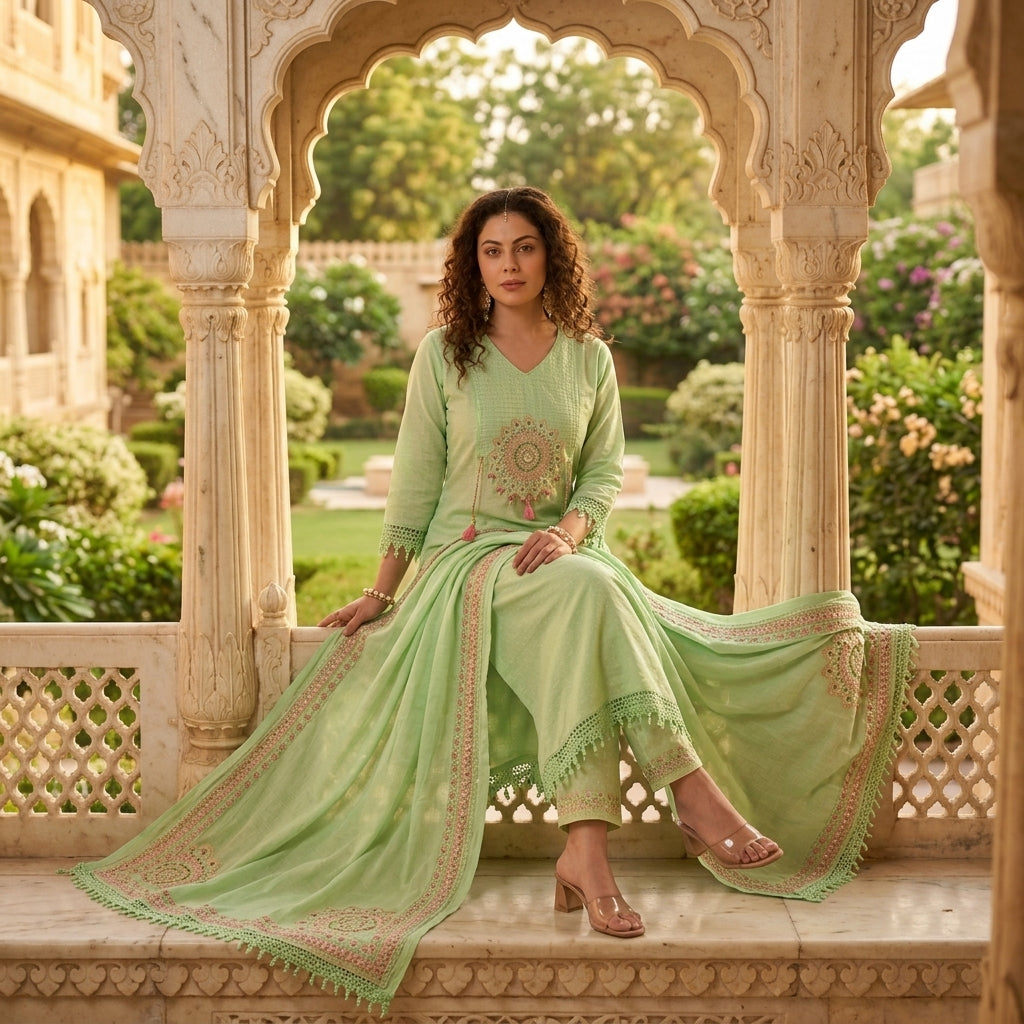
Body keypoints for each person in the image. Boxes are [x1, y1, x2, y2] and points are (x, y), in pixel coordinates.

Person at [70, 187, 914, 1014]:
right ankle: (687, 792)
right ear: (473, 265)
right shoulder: (446, 354)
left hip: (561, 556)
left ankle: (586, 850)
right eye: (491, 250)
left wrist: (574, 531)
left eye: (524, 247)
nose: (508, 264)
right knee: (588, 596)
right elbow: (414, 485)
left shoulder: (589, 357)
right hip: (464, 561)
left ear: (552, 257)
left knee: (585, 592)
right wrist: (380, 590)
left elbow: (605, 472)